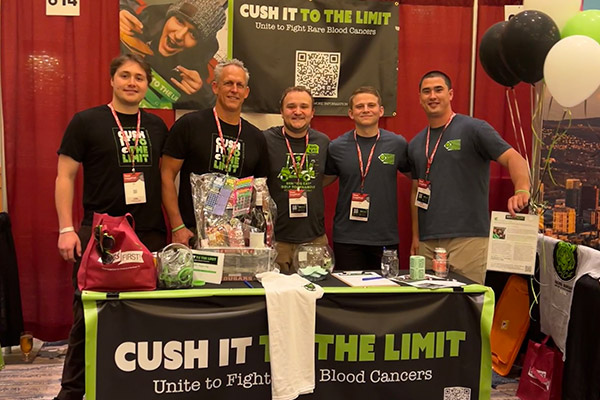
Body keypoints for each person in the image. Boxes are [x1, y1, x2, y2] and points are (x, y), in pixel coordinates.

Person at [54, 54, 168, 400]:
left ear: (148, 86)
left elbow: (167, 179)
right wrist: (66, 229)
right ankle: (72, 391)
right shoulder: (86, 121)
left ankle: (142, 387)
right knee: (88, 315)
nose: (132, 83)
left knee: (149, 314)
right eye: (125, 76)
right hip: (101, 233)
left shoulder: (157, 126)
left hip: (148, 233)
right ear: (112, 80)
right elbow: (65, 176)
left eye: (139, 78)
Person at [408, 70, 530, 284]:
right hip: (428, 242)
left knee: (468, 299)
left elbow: (515, 159)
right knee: (429, 301)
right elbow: (416, 191)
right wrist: (416, 236)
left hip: (469, 238)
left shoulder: (474, 129)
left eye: (438, 90)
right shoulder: (416, 143)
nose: (432, 96)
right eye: (426, 91)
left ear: (450, 94)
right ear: (420, 98)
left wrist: (521, 189)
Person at [161, 59, 269, 246]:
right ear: (215, 87)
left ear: (246, 92)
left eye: (239, 85)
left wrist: (256, 233)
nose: (234, 90)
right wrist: (177, 227)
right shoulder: (190, 125)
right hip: (195, 233)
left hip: (237, 236)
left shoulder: (256, 137)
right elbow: (166, 175)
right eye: (228, 83)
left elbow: (260, 191)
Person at [324, 86, 410, 270]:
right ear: (351, 113)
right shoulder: (336, 147)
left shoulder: (398, 144)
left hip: (384, 237)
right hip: (347, 238)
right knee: (348, 288)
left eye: (371, 105)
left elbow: (416, 179)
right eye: (359, 106)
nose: (365, 110)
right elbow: (323, 180)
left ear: (381, 110)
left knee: (385, 288)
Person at [263, 87, 330, 273]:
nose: (298, 111)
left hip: (314, 240)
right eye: (291, 106)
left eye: (304, 107)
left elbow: (328, 176)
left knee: (315, 290)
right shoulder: (265, 140)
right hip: (275, 240)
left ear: (312, 112)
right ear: (281, 111)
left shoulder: (323, 142)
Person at [119, 0, 226, 108]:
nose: (179, 36)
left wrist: (202, 93)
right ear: (168, 17)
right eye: (179, 21)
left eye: (193, 34)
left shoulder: (194, 73)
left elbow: (217, 109)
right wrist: (120, 12)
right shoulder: (144, 21)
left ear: (198, 45)